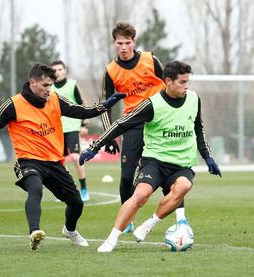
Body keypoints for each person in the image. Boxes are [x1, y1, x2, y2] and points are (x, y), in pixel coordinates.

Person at [0, 63, 125, 251]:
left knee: (76, 203)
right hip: (28, 160)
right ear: (32, 82)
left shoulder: (54, 98)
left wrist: (104, 106)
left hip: (54, 162)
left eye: (51, 85)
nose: (50, 89)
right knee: (35, 189)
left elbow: (81, 111)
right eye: (46, 85)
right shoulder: (14, 104)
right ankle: (35, 232)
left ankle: (70, 230)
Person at [80, 61, 222, 252]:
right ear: (168, 82)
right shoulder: (151, 104)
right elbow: (122, 124)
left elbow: (199, 129)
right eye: (182, 82)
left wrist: (208, 157)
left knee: (184, 186)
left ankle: (149, 224)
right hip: (155, 161)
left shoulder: (194, 99)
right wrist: (95, 146)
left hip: (181, 164)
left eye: (188, 81)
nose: (186, 86)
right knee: (140, 195)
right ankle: (112, 238)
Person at [100, 22, 186, 233]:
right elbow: (104, 105)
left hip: (159, 122)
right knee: (127, 176)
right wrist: (109, 135)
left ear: (134, 42)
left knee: (171, 171)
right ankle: (126, 218)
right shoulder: (111, 71)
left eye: (127, 42)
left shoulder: (150, 60)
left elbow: (170, 82)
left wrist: (175, 113)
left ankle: (181, 221)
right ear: (114, 43)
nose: (123, 47)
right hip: (134, 123)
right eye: (119, 43)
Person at [51, 60, 90, 202]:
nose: (57, 72)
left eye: (60, 69)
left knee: (75, 157)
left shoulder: (72, 85)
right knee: (59, 162)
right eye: (54, 70)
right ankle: (67, 190)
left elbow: (82, 104)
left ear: (65, 71)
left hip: (73, 126)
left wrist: (84, 124)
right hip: (56, 129)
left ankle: (84, 189)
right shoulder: (49, 89)